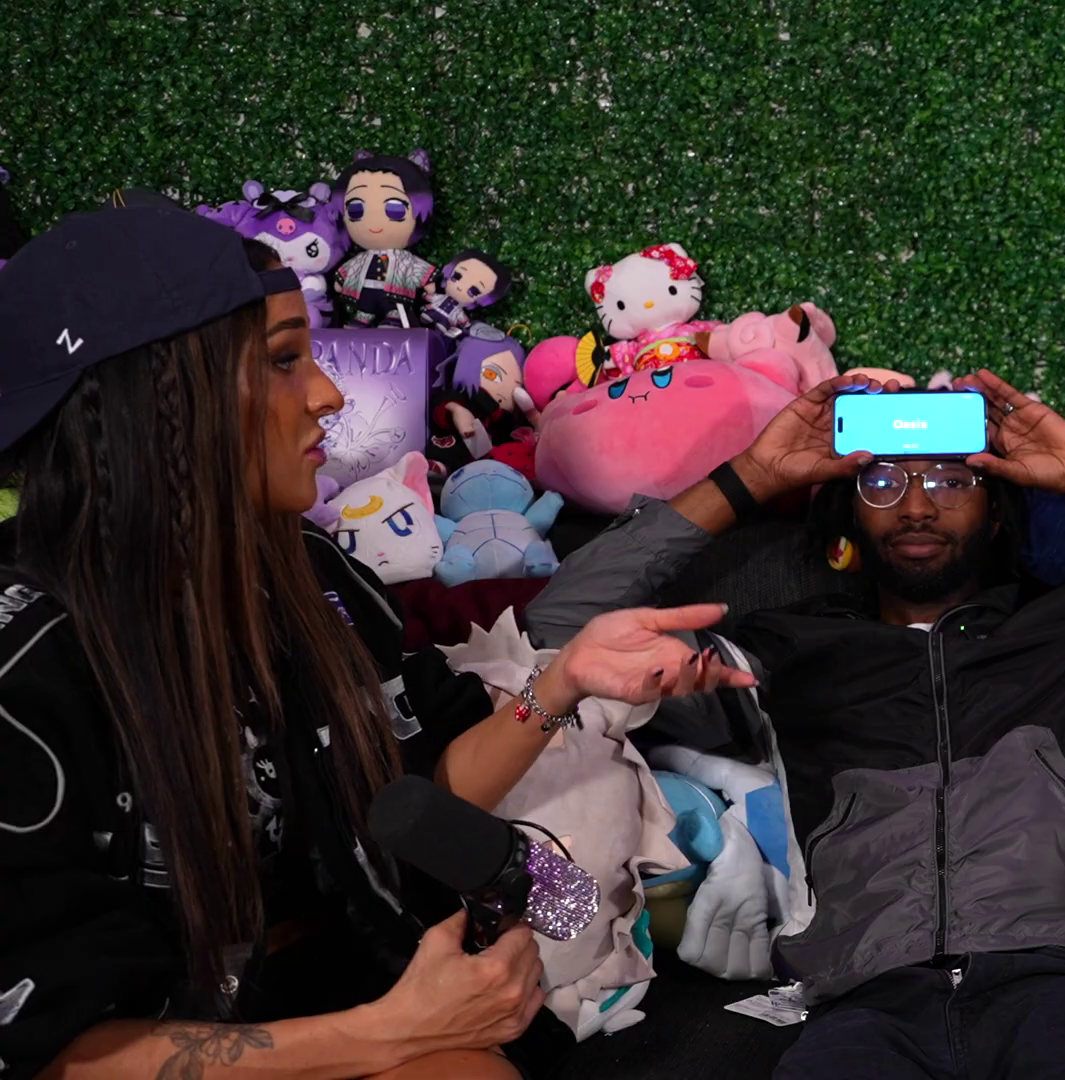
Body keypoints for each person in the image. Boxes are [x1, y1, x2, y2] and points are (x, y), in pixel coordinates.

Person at [0, 205, 753, 1080]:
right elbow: (48, 1047)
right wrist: (391, 1031)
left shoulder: (308, 568)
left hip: (344, 987)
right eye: (284, 360)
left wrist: (563, 682)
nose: (328, 395)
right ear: (154, 400)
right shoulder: (27, 672)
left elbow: (411, 790)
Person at [526, 371, 1065, 1078]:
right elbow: (563, 628)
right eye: (882, 482)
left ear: (998, 508)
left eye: (951, 480)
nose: (916, 505)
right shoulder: (782, 654)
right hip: (866, 997)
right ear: (849, 515)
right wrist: (753, 477)